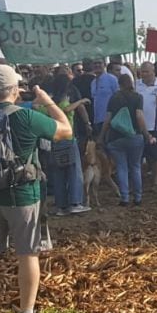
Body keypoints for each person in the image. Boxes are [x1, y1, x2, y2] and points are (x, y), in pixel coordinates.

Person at [0, 65, 72, 313]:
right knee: (27, 255)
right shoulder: (25, 117)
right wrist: (48, 102)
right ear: (14, 90)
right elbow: (66, 130)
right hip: (22, 195)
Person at [38, 73, 90, 216]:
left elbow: (37, 107)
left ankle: (61, 206)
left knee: (59, 174)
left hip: (54, 140)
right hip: (68, 139)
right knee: (74, 173)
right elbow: (66, 110)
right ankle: (75, 203)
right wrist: (80, 101)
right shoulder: (64, 100)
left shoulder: (49, 103)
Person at [100, 75, 155, 207]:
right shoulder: (137, 97)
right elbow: (139, 116)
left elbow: (108, 119)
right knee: (135, 166)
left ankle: (124, 197)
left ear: (119, 84)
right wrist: (146, 134)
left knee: (121, 168)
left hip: (116, 137)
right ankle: (138, 197)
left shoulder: (114, 98)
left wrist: (101, 136)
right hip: (134, 135)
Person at [90, 59, 119, 131]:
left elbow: (119, 98)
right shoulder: (93, 82)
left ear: (104, 64)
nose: (97, 65)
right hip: (97, 120)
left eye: (99, 63)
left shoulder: (112, 79)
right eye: (95, 63)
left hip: (110, 120)